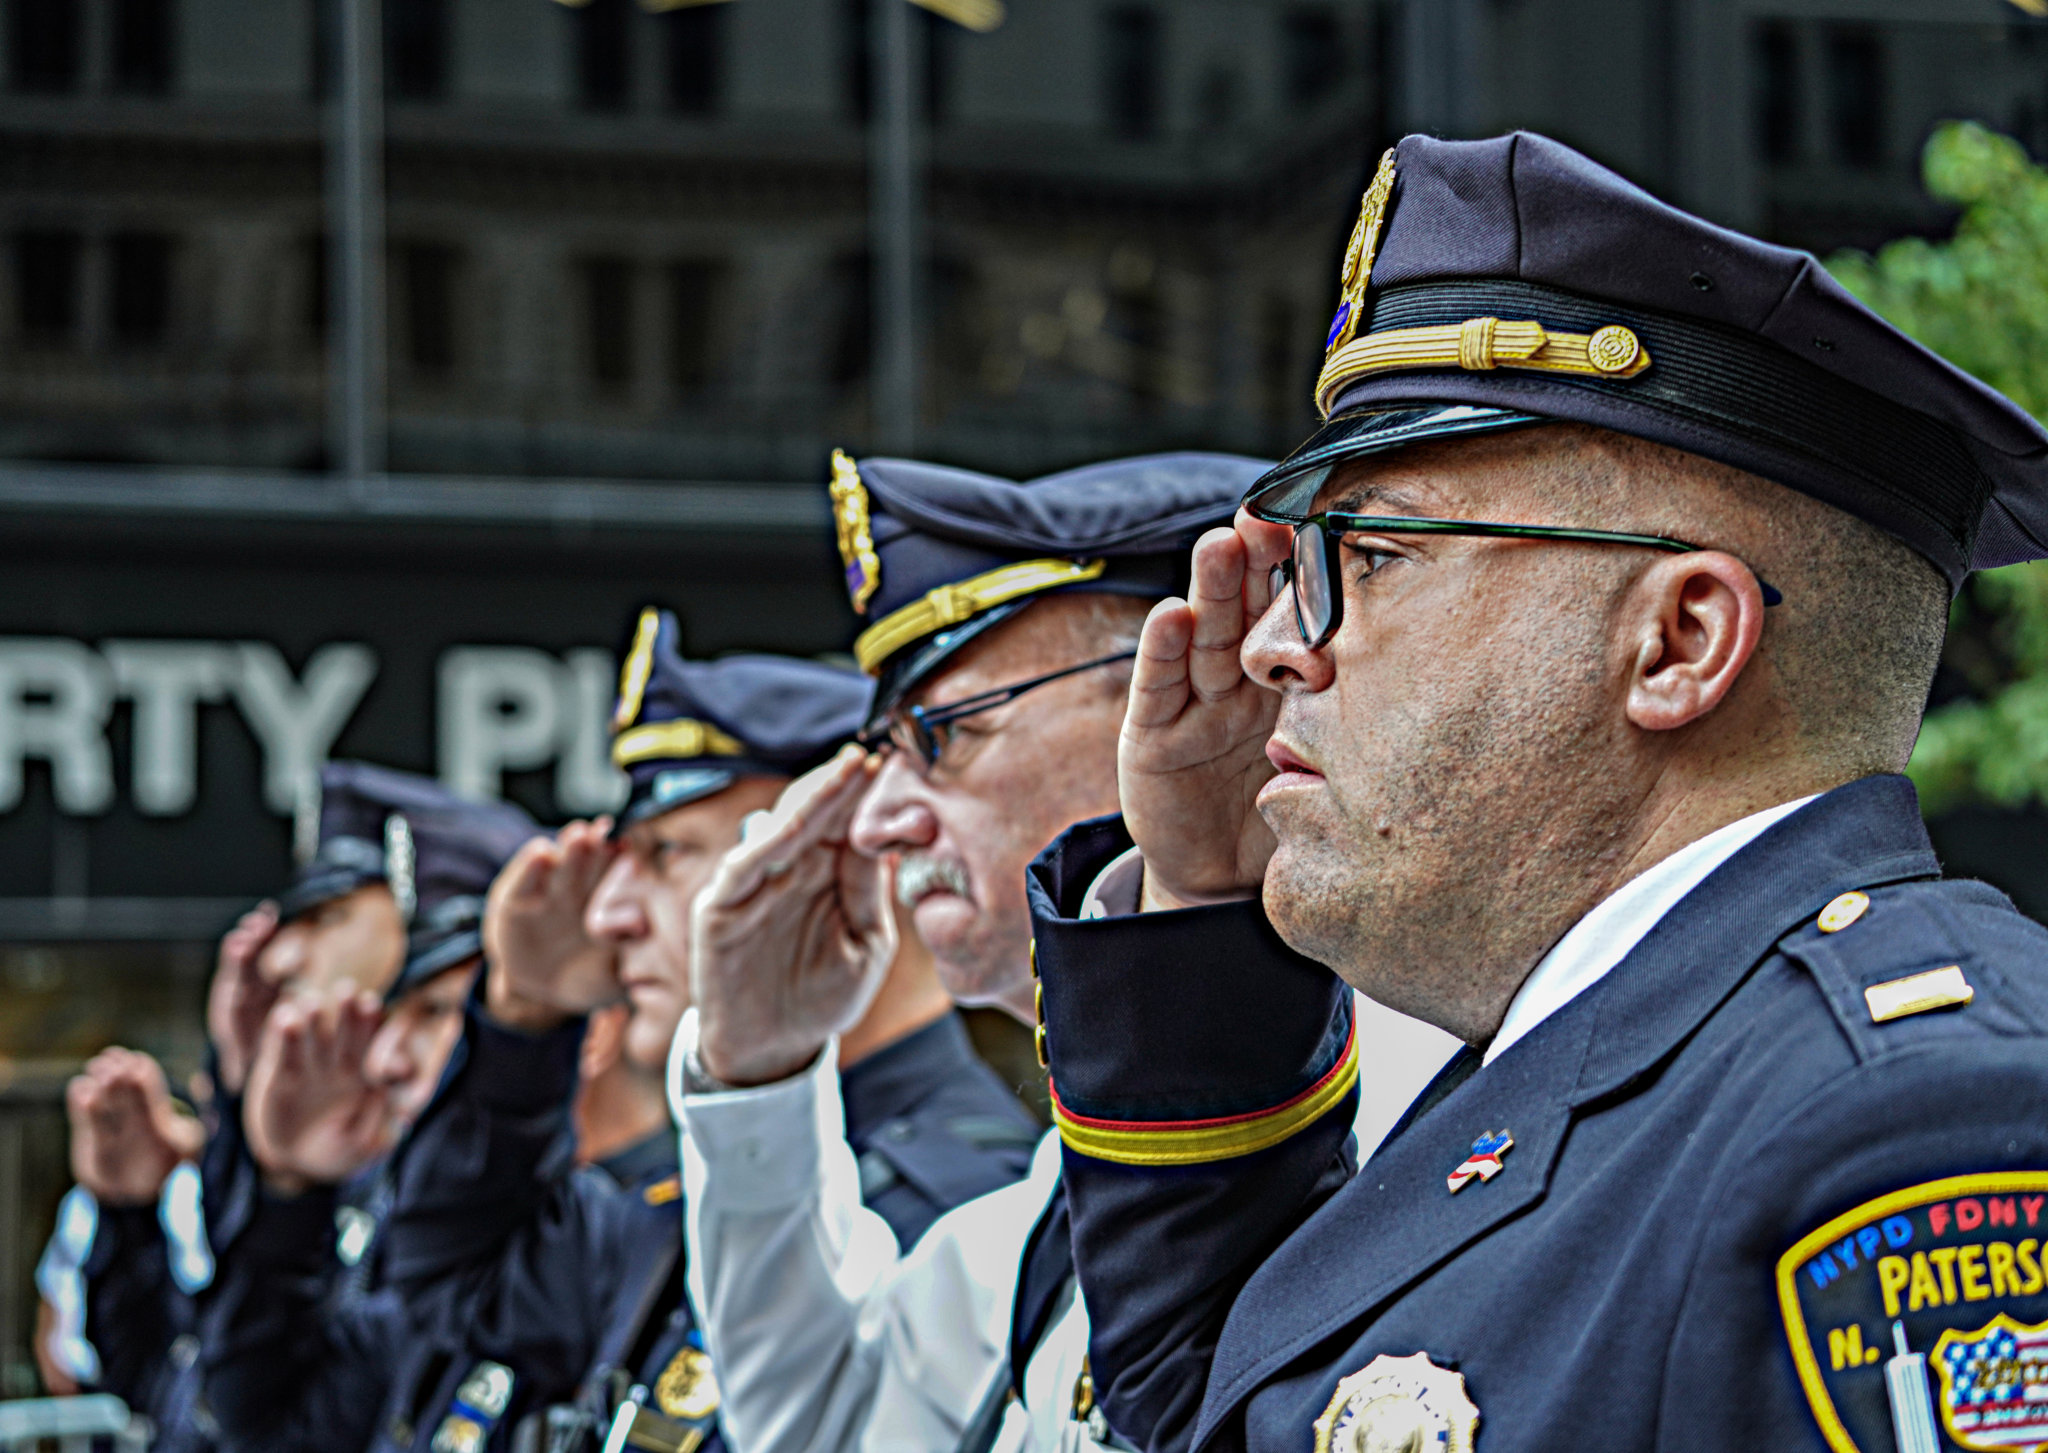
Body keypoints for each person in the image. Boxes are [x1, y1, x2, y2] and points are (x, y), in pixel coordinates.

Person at [1026, 131, 2048, 1453]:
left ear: (1677, 642)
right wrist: (1206, 905)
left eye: (1375, 555)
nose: (1278, 641)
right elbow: (1209, 1413)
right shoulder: (1604, 1056)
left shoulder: (1909, 1125)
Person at [670, 451, 1461, 1453]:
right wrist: (758, 1073)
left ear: (1205, 681)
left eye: (943, 735)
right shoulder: (1033, 1213)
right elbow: (824, 1433)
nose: (875, 821)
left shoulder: (1414, 1102)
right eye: (879, 756)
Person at [38, 761, 448, 1450]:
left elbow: (282, 1415)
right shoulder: (289, 1170)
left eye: (330, 918)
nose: (284, 957)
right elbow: (159, 1379)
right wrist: (131, 1212)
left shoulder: (421, 1178)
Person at [196, 772, 544, 1452]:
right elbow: (267, 1420)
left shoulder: (576, 1223)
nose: (389, 1058)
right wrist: (284, 1188)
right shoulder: (392, 1186)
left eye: (439, 1012)